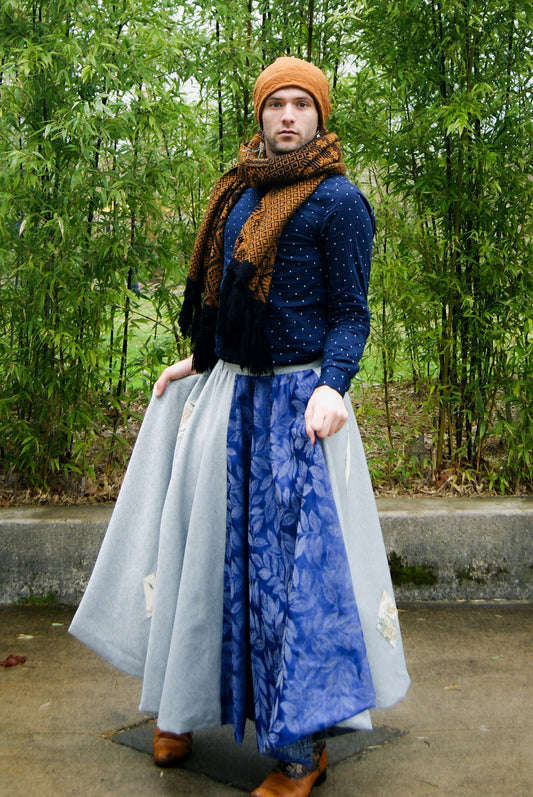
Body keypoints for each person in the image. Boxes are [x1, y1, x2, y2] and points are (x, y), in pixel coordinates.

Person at [70, 57, 410, 797]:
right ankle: (181, 705)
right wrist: (197, 360)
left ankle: (299, 750)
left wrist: (333, 385)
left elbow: (351, 315)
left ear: (320, 116)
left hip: (299, 413)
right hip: (228, 397)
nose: (287, 116)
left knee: (291, 582)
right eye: (274, 104)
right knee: (199, 555)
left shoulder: (339, 201)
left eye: (300, 104)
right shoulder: (233, 194)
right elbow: (226, 302)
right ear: (257, 115)